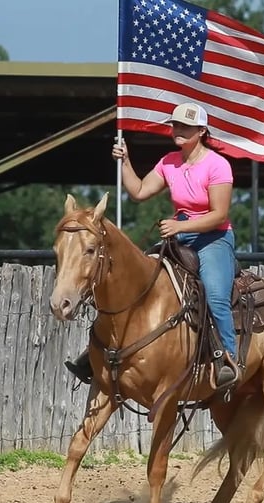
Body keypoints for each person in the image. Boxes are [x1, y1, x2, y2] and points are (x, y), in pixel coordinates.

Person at [64, 102, 240, 391]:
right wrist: (125, 161)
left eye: (185, 126)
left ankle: (228, 360)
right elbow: (139, 192)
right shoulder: (169, 162)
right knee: (135, 280)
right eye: (175, 125)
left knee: (215, 293)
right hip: (179, 235)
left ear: (202, 131)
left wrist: (180, 226)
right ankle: (96, 354)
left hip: (213, 239)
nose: (178, 130)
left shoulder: (217, 165)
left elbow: (219, 214)